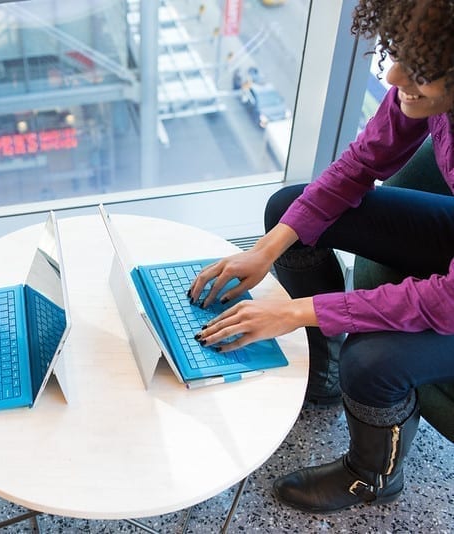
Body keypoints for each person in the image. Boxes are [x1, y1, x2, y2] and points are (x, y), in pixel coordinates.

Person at [189, 0, 454, 514]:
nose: (396, 74)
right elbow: (361, 163)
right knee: (289, 211)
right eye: (397, 52)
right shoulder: (422, 88)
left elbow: (446, 304)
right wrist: (264, 253)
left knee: (373, 361)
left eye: (419, 68)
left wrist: (292, 312)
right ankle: (323, 368)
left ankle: (371, 477)